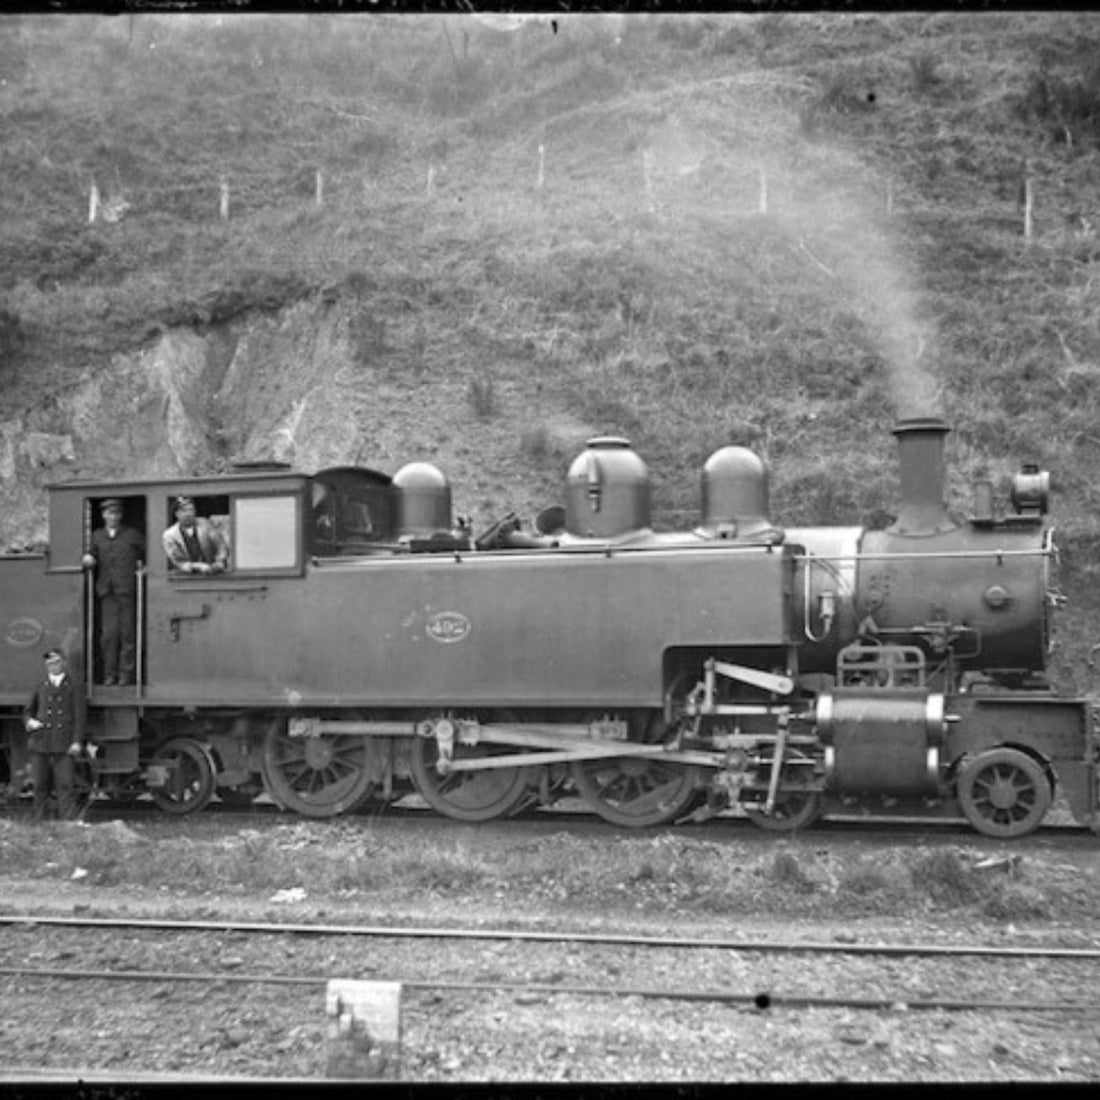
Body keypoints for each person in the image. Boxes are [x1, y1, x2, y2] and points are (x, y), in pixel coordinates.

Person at [82, 498, 145, 686]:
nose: (114, 517)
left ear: (121, 515)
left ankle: (126, 675)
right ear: (103, 515)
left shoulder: (133, 534)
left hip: (127, 590)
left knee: (127, 634)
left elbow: (147, 554)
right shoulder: (96, 535)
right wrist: (88, 558)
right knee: (109, 635)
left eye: (117, 513)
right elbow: (91, 553)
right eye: (110, 513)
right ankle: (109, 674)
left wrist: (145, 569)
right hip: (106, 591)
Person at [24, 650, 85, 822]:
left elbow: (79, 716)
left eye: (56, 662)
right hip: (41, 740)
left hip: (64, 741)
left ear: (63, 662)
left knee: (65, 785)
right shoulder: (40, 684)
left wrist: (77, 741)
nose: (53, 666)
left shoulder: (74, 685)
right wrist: (29, 722)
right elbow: (28, 710)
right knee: (40, 785)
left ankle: (67, 820)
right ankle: (39, 820)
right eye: (50, 663)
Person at [162, 496, 229, 575]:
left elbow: (220, 545)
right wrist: (197, 566)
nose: (188, 514)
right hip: (184, 576)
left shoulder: (205, 524)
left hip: (210, 574)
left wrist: (220, 560)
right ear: (176, 514)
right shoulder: (169, 535)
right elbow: (178, 562)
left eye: (190, 510)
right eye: (184, 511)